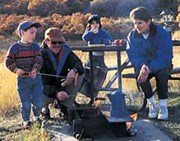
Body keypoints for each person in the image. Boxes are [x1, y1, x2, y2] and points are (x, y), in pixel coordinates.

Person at [126, 7, 173, 120]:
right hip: (144, 65)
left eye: (140, 23)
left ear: (148, 22)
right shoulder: (132, 36)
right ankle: (152, 104)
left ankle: (163, 106)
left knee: (162, 75)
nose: (137, 26)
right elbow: (133, 55)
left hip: (161, 64)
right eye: (135, 23)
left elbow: (165, 55)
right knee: (140, 76)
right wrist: (143, 66)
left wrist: (150, 67)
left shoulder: (162, 33)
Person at [5, 21, 43, 129]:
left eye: (35, 33)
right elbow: (8, 62)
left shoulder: (36, 47)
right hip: (23, 81)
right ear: (22, 32)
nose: (34, 35)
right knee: (25, 104)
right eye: (31, 33)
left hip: (36, 79)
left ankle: (36, 117)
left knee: (39, 102)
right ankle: (26, 121)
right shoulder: (14, 48)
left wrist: (35, 69)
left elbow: (39, 60)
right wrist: (16, 70)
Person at [40, 27, 84, 120]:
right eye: (54, 42)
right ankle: (44, 110)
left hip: (62, 85)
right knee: (35, 88)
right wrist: (56, 93)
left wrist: (74, 70)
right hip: (46, 89)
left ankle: (65, 106)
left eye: (60, 42)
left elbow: (79, 64)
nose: (57, 45)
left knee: (79, 75)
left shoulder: (66, 51)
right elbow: (41, 82)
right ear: (46, 41)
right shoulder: (39, 55)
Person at [81, 14, 113, 98]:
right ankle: (88, 91)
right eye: (93, 23)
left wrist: (104, 41)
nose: (95, 25)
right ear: (90, 25)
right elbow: (85, 38)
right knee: (91, 71)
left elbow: (110, 40)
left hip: (101, 57)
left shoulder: (103, 32)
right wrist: (91, 32)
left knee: (103, 71)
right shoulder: (89, 32)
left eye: (97, 23)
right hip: (91, 57)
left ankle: (95, 91)